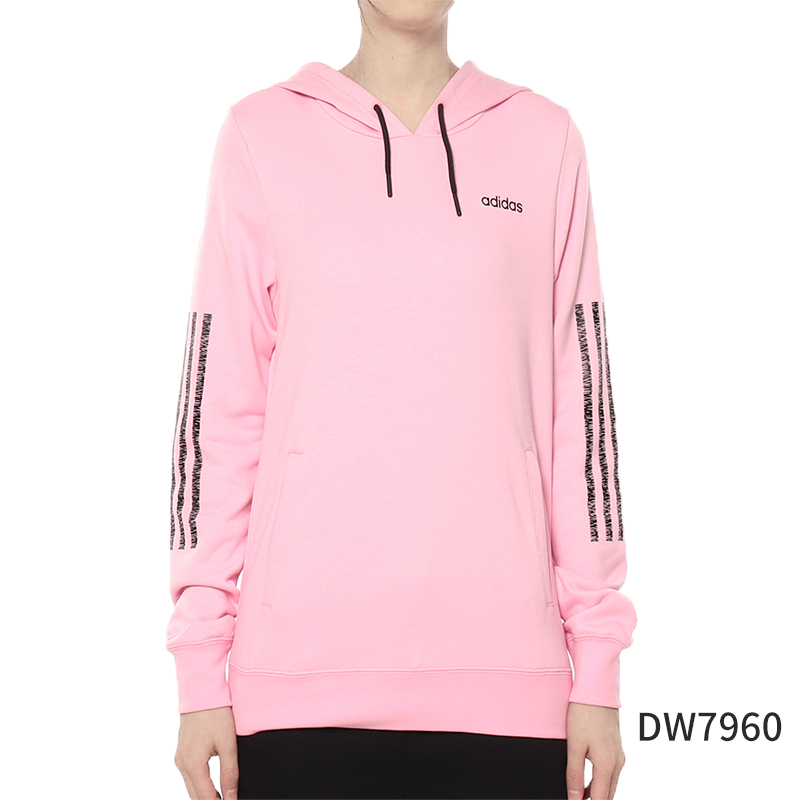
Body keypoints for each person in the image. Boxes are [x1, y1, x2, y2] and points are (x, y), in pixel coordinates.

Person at [167, 1, 637, 798]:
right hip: (296, 691)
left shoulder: (546, 141)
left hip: (509, 694)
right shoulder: (260, 137)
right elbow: (217, 415)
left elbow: (582, 418)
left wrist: (597, 666)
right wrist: (199, 666)